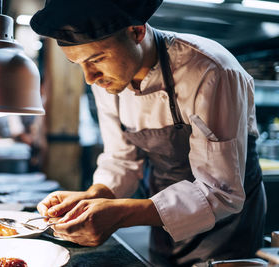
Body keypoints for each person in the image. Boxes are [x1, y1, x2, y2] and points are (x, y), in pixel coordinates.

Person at [29, 0, 266, 266]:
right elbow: (122, 160)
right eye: (78, 63)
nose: (89, 77)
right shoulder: (107, 80)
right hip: (163, 222)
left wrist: (122, 214)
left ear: (137, 31)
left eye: (97, 58)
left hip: (228, 232)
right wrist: (94, 196)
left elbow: (221, 193)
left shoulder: (210, 70)